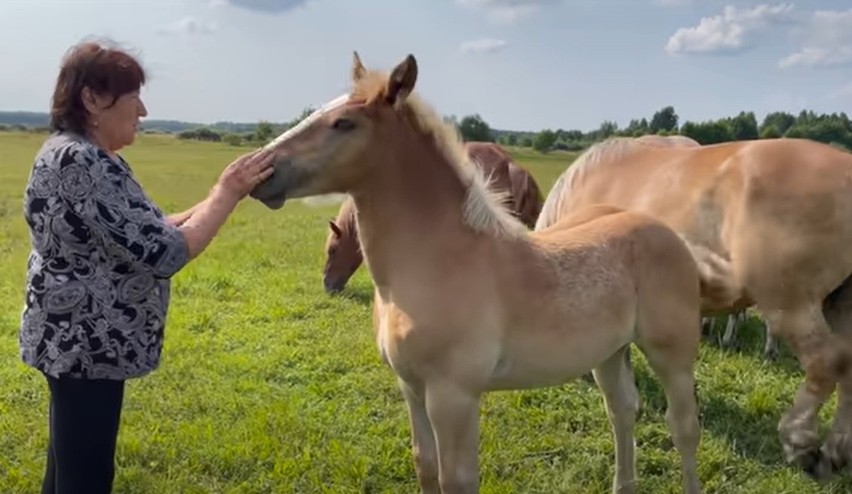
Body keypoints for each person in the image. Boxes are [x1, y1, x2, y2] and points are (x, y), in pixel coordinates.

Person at [19, 40, 275, 494]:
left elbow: (150, 228)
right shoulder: (82, 161)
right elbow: (166, 252)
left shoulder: (78, 153)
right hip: (86, 344)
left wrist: (224, 196)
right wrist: (226, 192)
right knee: (87, 478)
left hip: (71, 340)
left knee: (67, 467)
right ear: (92, 99)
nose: (143, 109)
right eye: (133, 94)